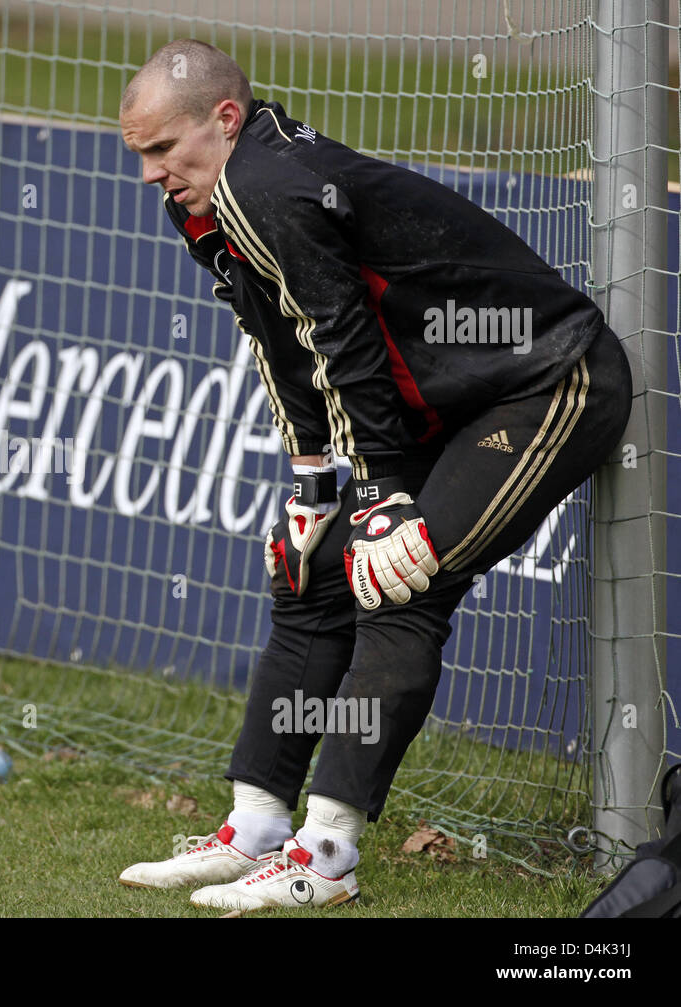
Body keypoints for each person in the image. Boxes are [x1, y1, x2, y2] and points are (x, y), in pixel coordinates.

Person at [115, 39, 633, 912]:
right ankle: (257, 826)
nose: (151, 174)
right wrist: (314, 478)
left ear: (226, 120)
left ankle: (327, 853)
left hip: (549, 378)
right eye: (141, 156)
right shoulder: (206, 203)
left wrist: (382, 495)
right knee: (313, 570)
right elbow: (282, 340)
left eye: (164, 150)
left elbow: (342, 337)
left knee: (396, 580)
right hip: (439, 403)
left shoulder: (267, 187)